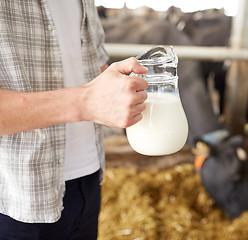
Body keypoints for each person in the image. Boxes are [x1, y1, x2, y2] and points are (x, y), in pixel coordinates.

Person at [0, 0, 148, 239]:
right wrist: (85, 103)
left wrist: (129, 91)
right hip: (16, 197)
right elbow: (88, 97)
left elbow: (90, 66)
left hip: (89, 178)